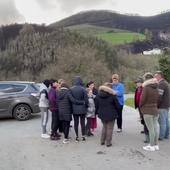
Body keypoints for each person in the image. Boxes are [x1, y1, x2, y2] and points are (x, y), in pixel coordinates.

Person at [95, 83, 120, 147]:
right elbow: (118, 106)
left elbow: (96, 106)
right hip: (111, 114)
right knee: (109, 128)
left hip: (102, 114)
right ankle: (108, 143)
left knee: (104, 127)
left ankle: (102, 141)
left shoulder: (98, 95)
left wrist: (96, 113)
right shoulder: (112, 96)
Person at [139, 72, 159, 151]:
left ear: (146, 79)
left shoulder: (146, 88)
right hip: (155, 109)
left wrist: (140, 106)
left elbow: (142, 100)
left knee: (151, 129)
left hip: (147, 110)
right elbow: (158, 99)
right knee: (155, 128)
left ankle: (151, 145)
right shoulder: (156, 87)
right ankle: (155, 145)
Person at [69, 76, 88, 142]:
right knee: (82, 123)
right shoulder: (83, 89)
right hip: (82, 109)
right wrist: (85, 105)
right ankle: (83, 136)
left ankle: (77, 137)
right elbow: (86, 100)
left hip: (74, 109)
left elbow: (71, 100)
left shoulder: (71, 89)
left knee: (76, 123)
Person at [154, 71, 170, 140]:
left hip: (162, 106)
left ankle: (161, 136)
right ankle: (166, 135)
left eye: (155, 76)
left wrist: (157, 106)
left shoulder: (161, 84)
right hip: (166, 105)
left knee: (162, 122)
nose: (155, 78)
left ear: (159, 76)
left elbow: (159, 96)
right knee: (166, 121)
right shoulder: (166, 83)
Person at [134, 78, 149, 143]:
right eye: (136, 83)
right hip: (139, 106)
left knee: (145, 119)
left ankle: (147, 132)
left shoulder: (144, 89)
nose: (137, 84)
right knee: (142, 119)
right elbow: (136, 97)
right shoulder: (137, 89)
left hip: (143, 106)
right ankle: (144, 129)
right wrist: (136, 105)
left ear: (141, 83)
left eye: (138, 82)